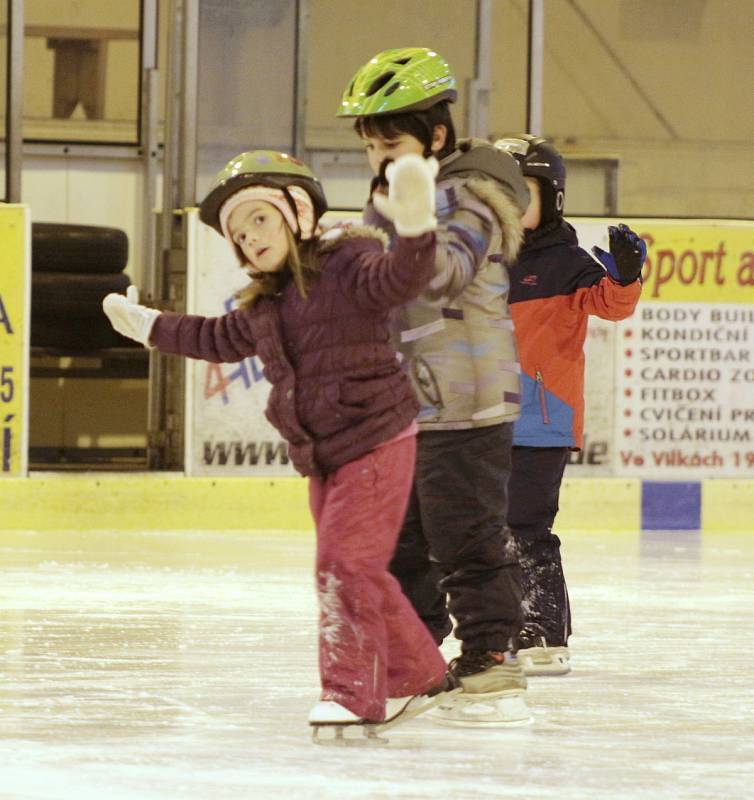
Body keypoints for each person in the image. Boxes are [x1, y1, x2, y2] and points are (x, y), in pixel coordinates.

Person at [101, 148, 460, 737]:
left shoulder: (349, 262)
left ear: (297, 212)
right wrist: (146, 326)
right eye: (239, 234)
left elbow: (403, 278)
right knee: (362, 568)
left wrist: (418, 227)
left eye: (259, 220)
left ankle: (351, 692)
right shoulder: (265, 304)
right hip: (324, 455)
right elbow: (213, 338)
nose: (249, 239)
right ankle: (420, 675)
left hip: (375, 438)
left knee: (343, 565)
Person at [337, 47, 531, 723]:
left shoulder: (470, 200)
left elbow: (443, 273)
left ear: (436, 137)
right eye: (370, 145)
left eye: (392, 141)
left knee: (463, 533)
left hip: (466, 403)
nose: (380, 157)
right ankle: (415, 649)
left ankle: (490, 652)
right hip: (407, 405)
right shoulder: (386, 204)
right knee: (400, 538)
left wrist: (405, 226)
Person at [494, 134, 645, 675]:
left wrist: (626, 278)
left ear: (551, 199)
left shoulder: (564, 261)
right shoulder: (480, 259)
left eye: (521, 194)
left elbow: (609, 304)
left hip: (543, 417)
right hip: (484, 417)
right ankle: (505, 624)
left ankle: (545, 630)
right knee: (489, 526)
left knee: (526, 523)